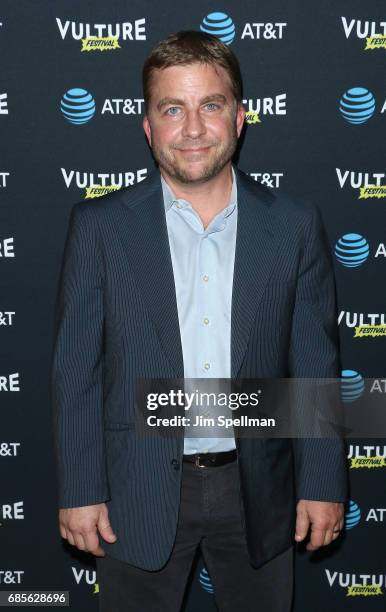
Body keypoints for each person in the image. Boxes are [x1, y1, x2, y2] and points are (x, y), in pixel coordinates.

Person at [51, 30, 348, 612]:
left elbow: (315, 362)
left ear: (239, 119)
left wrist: (323, 483)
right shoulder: (100, 227)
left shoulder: (292, 224)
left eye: (210, 106)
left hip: (258, 491)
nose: (192, 128)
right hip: (135, 492)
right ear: (147, 125)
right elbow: (76, 373)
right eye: (172, 109)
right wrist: (80, 491)